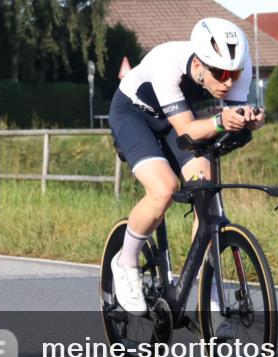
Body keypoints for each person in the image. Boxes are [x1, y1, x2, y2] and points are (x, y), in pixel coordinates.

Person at [108, 17, 265, 314]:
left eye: (234, 73)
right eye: (220, 73)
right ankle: (125, 262)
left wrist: (251, 119)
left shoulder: (238, 69)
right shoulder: (168, 62)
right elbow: (188, 131)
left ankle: (208, 289)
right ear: (198, 65)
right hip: (134, 114)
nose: (228, 82)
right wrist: (220, 121)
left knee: (206, 192)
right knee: (164, 189)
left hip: (176, 117)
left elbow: (234, 115)